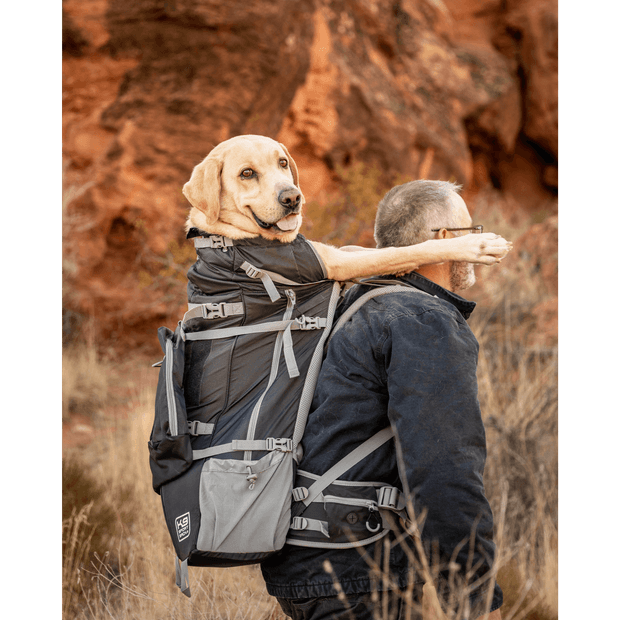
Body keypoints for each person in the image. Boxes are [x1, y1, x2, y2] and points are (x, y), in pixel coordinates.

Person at [261, 180, 505, 620]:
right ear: (447, 240)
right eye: (473, 230)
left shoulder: (351, 303)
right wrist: (472, 593)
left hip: (300, 558)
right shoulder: (424, 319)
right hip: (358, 566)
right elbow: (443, 465)